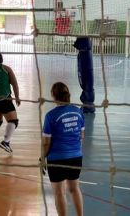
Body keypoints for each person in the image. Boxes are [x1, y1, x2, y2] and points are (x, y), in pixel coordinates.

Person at [42, 82, 84, 216]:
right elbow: (81, 135)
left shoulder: (50, 116)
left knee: (59, 193)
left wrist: (42, 158)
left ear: (53, 96)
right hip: (76, 157)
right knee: (75, 189)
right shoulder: (78, 112)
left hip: (56, 159)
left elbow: (46, 143)